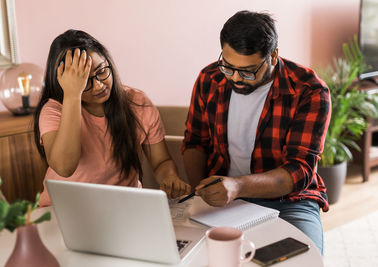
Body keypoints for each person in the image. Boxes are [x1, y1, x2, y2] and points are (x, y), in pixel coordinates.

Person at [182, 11, 331, 254]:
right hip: (222, 197)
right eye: (228, 67)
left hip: (290, 202)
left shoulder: (309, 90)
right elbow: (195, 143)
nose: (237, 79)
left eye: (248, 71)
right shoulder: (210, 78)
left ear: (273, 55)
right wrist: (201, 192)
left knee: (303, 257)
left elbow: (299, 170)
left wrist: (238, 187)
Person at [34, 29, 190, 207]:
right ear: (64, 82)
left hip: (122, 208)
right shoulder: (54, 111)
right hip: (66, 209)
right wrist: (72, 94)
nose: (99, 85)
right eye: (85, 81)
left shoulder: (137, 102)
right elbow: (64, 167)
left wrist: (169, 178)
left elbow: (161, 161)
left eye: (101, 71)